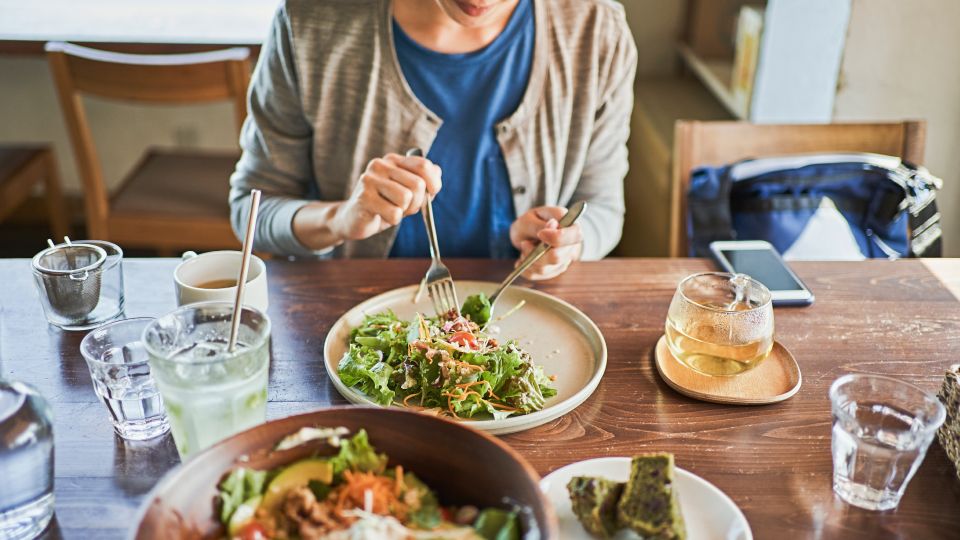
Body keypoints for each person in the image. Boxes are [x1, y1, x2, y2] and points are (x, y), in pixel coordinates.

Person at [230, 0, 637, 280]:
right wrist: (340, 219)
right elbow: (252, 211)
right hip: (348, 317)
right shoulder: (309, 24)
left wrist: (566, 243)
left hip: (526, 321)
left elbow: (602, 209)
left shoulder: (598, 31)